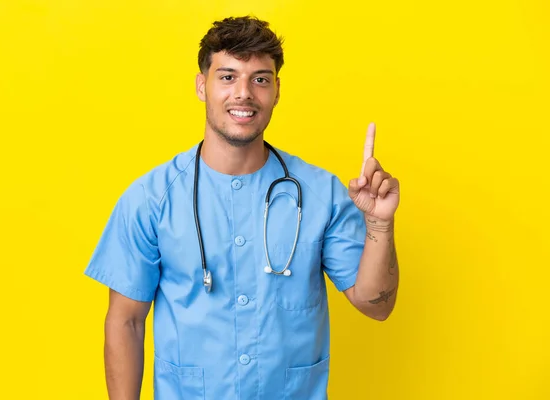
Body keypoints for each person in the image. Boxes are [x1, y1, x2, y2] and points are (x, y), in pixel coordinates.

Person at [84, 15, 400, 400]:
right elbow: (126, 323)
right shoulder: (151, 199)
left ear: (277, 90)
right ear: (202, 86)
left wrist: (380, 226)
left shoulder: (321, 194)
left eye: (260, 79)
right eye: (228, 76)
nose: (244, 93)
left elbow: (376, 306)